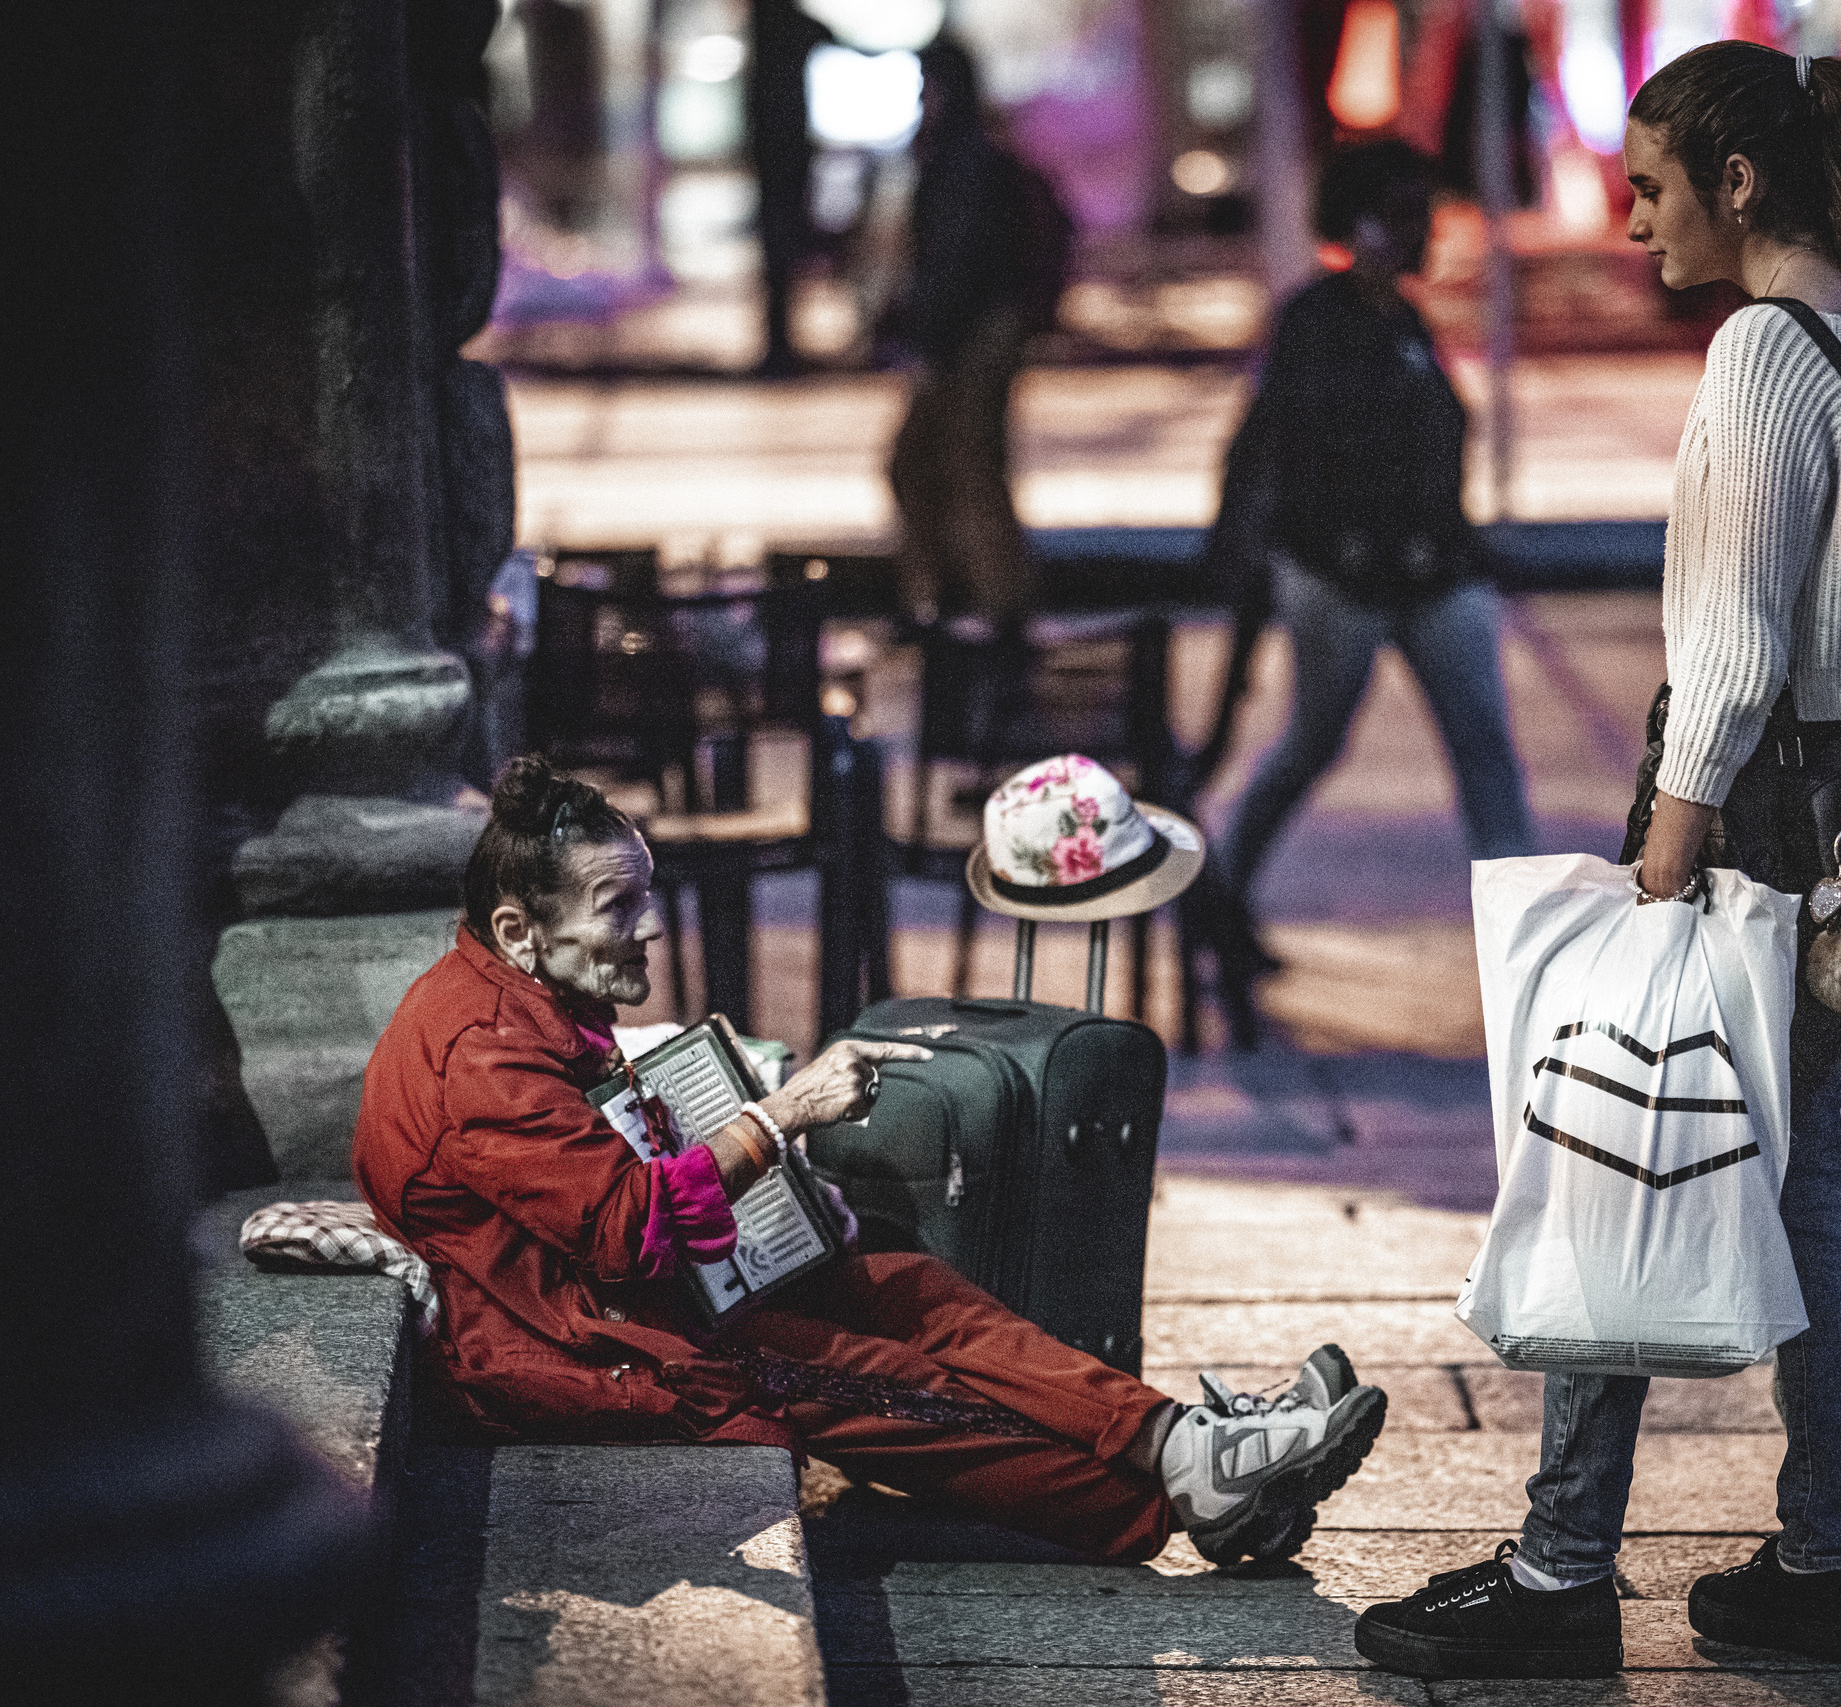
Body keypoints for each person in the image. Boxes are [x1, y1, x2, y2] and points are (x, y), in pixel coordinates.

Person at [1355, 43, 1841, 1676]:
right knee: (1798, 1169)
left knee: (1617, 1124)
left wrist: (1664, 853)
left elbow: (1732, 653)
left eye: (1652, 184)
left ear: (1740, 183)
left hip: (1761, 822)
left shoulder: (1763, 353)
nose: (1632, 216)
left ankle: (1563, 1571)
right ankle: (1824, 1556)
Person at [353, 755, 1387, 1566]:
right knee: (891, 1385)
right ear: (518, 930)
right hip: (581, 1349)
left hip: (638, 1297)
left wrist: (765, 1173)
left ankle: (1183, 1441)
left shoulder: (517, 999)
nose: (650, 927)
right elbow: (629, 1227)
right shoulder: (480, 1056)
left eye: (645, 896)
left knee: (908, 1287)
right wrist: (784, 1115)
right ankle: (1178, 1499)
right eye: (617, 906)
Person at [1210, 140, 1536, 961]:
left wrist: (1455, 542)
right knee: (1312, 741)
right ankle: (1221, 888)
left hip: (1433, 574)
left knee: (1486, 753)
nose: (1424, 231)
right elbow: (1297, 451)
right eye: (1403, 215)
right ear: (1358, 225)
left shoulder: (1406, 322)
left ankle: (1533, 939)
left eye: (1424, 213)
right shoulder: (1315, 322)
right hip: (1343, 577)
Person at [885, 37, 1071, 629]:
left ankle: (985, 606)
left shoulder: (963, 162)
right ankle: (962, 600)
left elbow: (956, 264)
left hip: (971, 339)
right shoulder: (968, 157)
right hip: (975, 335)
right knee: (935, 466)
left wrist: (929, 335)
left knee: (960, 470)